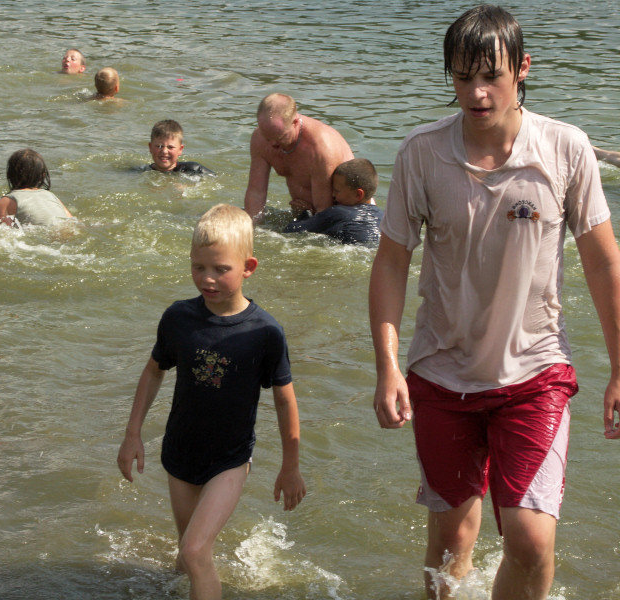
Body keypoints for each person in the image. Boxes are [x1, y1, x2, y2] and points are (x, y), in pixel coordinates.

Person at [369, 5, 620, 600]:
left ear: (523, 68)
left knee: (530, 543)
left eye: (491, 76)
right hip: (442, 372)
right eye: (462, 78)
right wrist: (386, 367)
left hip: (535, 371)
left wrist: (619, 366)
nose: (477, 93)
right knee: (451, 540)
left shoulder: (565, 148)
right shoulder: (421, 153)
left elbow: (603, 262)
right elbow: (392, 262)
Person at [117, 204, 306, 600]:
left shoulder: (265, 332)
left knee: (195, 550)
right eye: (198, 267)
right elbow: (153, 372)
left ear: (249, 267)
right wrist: (132, 433)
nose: (207, 278)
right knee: (187, 556)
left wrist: (290, 467)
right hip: (180, 452)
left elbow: (285, 402)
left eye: (221, 269)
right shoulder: (178, 318)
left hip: (229, 459)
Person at [244, 93, 353, 222]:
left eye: (280, 137)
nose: (272, 144)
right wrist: (251, 227)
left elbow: (324, 210)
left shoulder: (320, 148)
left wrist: (308, 218)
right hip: (308, 215)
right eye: (267, 138)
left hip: (347, 217)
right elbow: (256, 192)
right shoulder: (259, 139)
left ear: (295, 122)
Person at [283, 158, 383, 246]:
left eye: (337, 191)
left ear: (358, 194)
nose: (333, 195)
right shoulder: (383, 216)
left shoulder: (338, 213)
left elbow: (291, 230)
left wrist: (302, 213)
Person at [0, 148, 73, 227]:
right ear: (43, 175)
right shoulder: (51, 195)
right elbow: (71, 220)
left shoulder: (6, 201)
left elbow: (5, 229)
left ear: (10, 175)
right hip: (66, 229)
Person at [144, 120, 215, 176]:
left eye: (170, 147)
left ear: (180, 149)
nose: (164, 151)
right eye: (159, 146)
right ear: (150, 147)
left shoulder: (194, 169)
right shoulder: (142, 172)